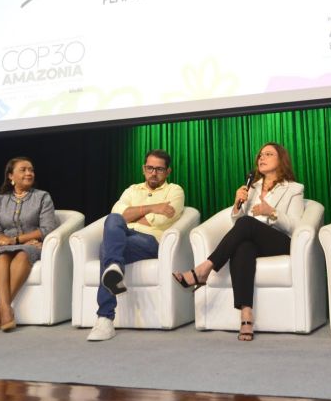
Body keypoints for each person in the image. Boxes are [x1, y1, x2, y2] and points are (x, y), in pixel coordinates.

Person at [172, 142, 304, 341]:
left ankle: (204, 269)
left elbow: (296, 226)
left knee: (247, 224)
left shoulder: (293, 189)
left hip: (279, 241)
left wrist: (272, 212)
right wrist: (237, 205)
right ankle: (246, 315)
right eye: (260, 155)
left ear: (281, 160)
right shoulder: (252, 187)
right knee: (243, 247)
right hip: (252, 239)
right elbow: (237, 224)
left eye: (268, 154)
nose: (262, 158)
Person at [87, 149, 185, 341]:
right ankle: (114, 270)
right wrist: (153, 207)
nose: (153, 173)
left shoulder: (175, 191)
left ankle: (105, 317)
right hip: (124, 239)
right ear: (143, 169)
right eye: (150, 168)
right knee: (113, 220)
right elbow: (118, 214)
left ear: (168, 171)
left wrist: (132, 215)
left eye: (159, 169)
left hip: (149, 241)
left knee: (107, 246)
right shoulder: (132, 190)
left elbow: (161, 220)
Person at [0, 157, 57, 332]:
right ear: (11, 176)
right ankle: (6, 309)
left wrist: (17, 240)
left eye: (31, 170)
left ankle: (0, 311)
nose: (29, 173)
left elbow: (47, 228)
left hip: (32, 244)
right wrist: (1, 239)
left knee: (23, 254)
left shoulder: (42, 197)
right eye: (23, 170)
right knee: (1, 256)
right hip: (5, 246)